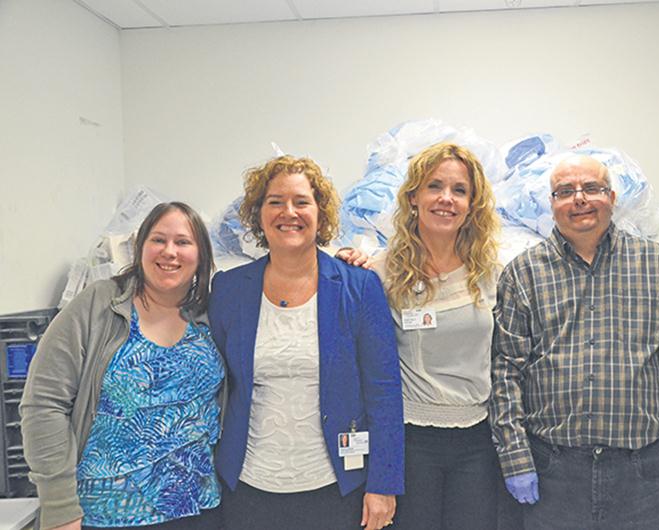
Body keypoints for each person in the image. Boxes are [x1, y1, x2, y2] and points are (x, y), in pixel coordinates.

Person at [490, 154, 659, 530]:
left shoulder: (656, 264)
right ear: (552, 205)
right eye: (565, 192)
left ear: (612, 198)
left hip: (643, 474)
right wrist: (515, 456)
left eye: (591, 189)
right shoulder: (523, 273)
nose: (579, 199)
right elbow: (506, 372)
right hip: (555, 473)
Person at [208, 155, 403, 530]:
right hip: (248, 487)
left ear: (321, 212)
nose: (289, 212)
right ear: (258, 214)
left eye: (301, 201)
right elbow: (218, 386)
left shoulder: (358, 286)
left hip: (336, 488)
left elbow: (384, 392)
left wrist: (384, 484)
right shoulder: (229, 290)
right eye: (275, 201)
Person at [20, 202, 225, 530]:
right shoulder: (98, 304)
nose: (169, 251)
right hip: (99, 517)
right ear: (139, 247)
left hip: (198, 512)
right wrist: (59, 507)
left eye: (183, 242)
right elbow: (43, 404)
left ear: (201, 255)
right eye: (158, 240)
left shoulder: (214, 314)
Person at [369, 142, 503, 530]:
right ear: (413, 198)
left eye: (459, 190)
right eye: (434, 186)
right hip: (411, 442)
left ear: (472, 204)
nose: (446, 199)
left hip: (477, 442)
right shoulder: (382, 274)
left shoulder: (491, 273)